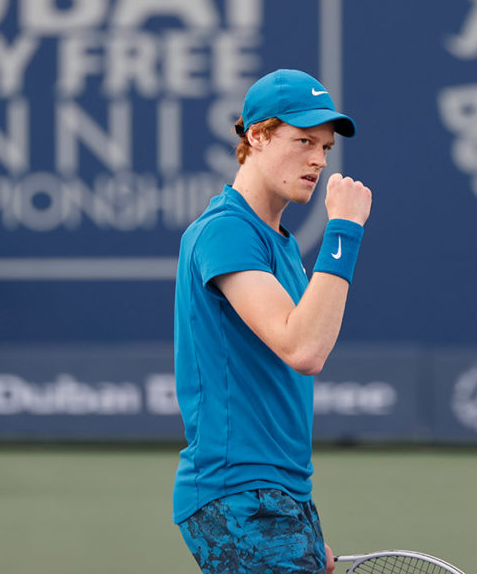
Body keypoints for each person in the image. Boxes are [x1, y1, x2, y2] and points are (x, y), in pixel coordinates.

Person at [173, 69, 372, 574]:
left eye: (325, 148)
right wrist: (344, 230)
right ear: (257, 136)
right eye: (304, 140)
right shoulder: (225, 232)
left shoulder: (277, 243)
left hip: (282, 498)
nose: (318, 161)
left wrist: (303, 529)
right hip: (241, 495)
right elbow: (303, 349)